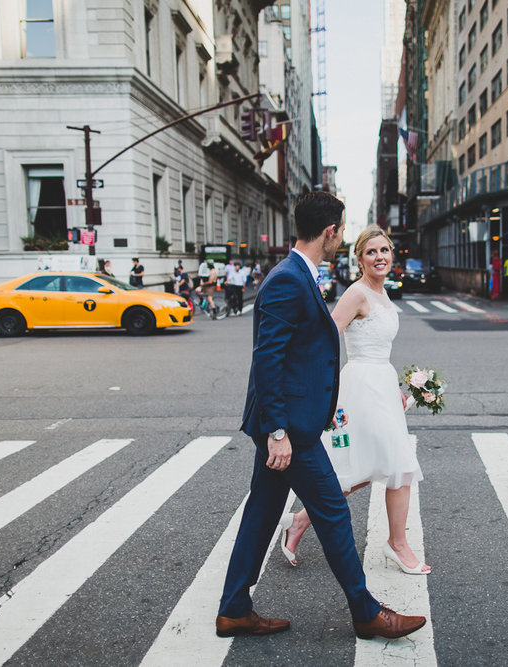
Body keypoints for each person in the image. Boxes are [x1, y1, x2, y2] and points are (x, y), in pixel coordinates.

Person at [217, 191, 426, 641]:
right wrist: (276, 431)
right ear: (330, 232)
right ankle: (367, 612)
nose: (343, 238)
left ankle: (234, 608)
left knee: (262, 511)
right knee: (332, 511)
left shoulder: (300, 274)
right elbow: (267, 359)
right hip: (288, 428)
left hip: (296, 420)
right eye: (343, 231)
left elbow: (302, 354)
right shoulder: (287, 278)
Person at [281, 226, 430, 576]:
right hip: (360, 388)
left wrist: (398, 387)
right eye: (371, 252)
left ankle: (299, 521)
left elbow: (381, 347)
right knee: (398, 464)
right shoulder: (357, 294)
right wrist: (321, 389)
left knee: (366, 467)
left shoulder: (383, 294)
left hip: (382, 385)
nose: (380, 257)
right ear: (360, 258)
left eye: (385, 250)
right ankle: (397, 544)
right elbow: (326, 337)